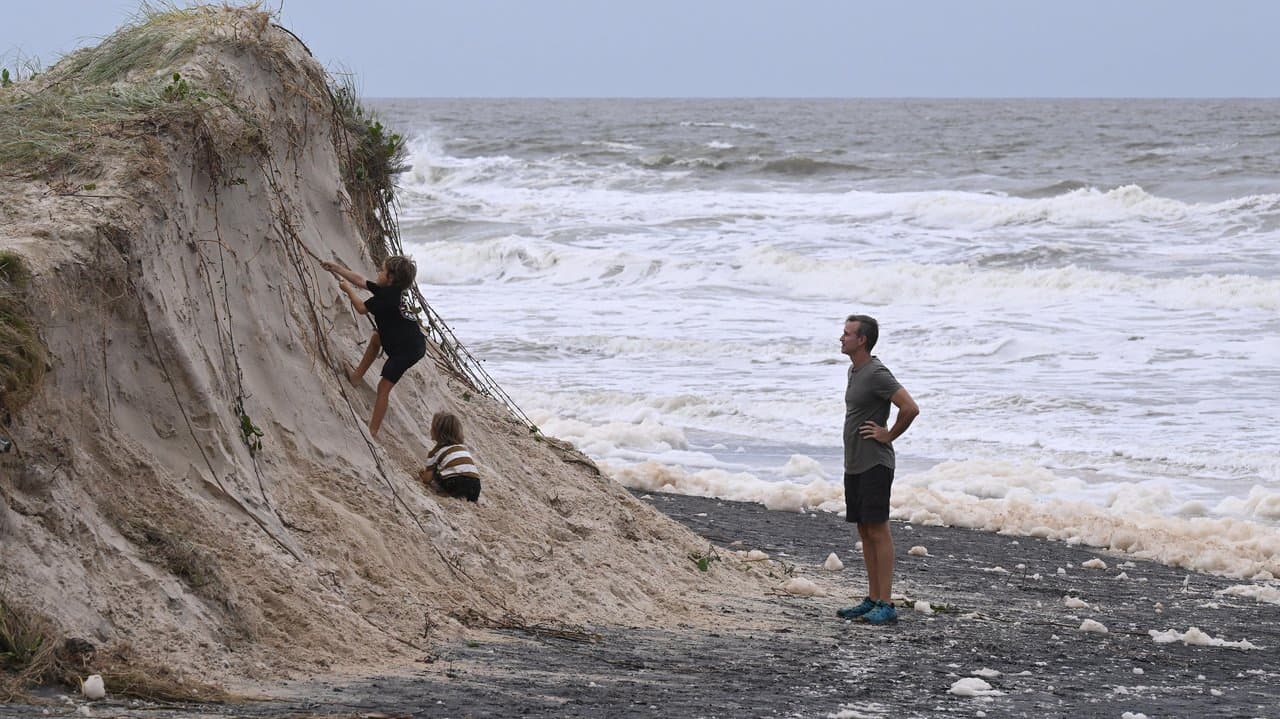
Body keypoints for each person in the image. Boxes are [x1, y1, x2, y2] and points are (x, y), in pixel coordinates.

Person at [835, 314, 919, 625]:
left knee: (878, 530)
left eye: (847, 334)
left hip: (875, 464)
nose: (841, 338)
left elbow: (910, 407)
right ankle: (872, 599)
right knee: (864, 530)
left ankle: (887, 602)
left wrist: (888, 434)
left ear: (862, 340)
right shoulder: (854, 371)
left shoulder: (877, 372)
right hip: (855, 462)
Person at [320, 255, 426, 438]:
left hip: (407, 350)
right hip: (407, 340)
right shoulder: (391, 291)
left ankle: (373, 430)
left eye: (382, 270)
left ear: (390, 278)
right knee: (376, 339)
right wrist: (337, 268)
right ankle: (356, 377)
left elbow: (361, 308)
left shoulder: (388, 297)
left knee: (383, 387)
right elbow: (361, 281)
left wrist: (347, 290)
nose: (378, 272)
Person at [417, 412, 482, 502]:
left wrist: (423, 475)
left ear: (437, 432)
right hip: (476, 486)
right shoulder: (462, 448)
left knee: (436, 471)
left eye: (432, 428)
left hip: (455, 484)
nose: (430, 430)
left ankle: (448, 493)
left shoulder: (435, 452)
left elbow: (427, 479)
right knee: (449, 468)